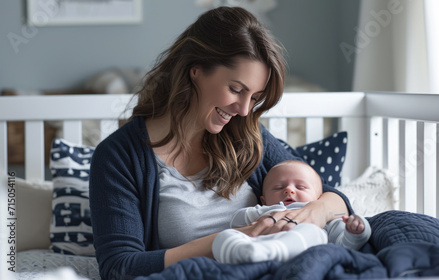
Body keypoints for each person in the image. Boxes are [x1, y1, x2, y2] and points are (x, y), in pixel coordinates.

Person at [89, 6, 353, 279]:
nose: (244, 110)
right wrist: (241, 237)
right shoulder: (118, 157)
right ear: (196, 70)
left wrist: (314, 211)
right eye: (236, 90)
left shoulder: (247, 137)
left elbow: (333, 198)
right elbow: (119, 267)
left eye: (254, 97)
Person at [212, 160, 371, 264]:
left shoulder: (325, 220)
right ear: (264, 200)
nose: (289, 190)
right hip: (257, 249)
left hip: (300, 256)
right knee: (225, 236)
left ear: (319, 197)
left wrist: (356, 231)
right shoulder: (265, 210)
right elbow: (236, 221)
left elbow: (343, 245)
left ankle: (265, 253)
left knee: (314, 232)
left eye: (300, 187)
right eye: (278, 188)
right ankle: (241, 253)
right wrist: (271, 212)